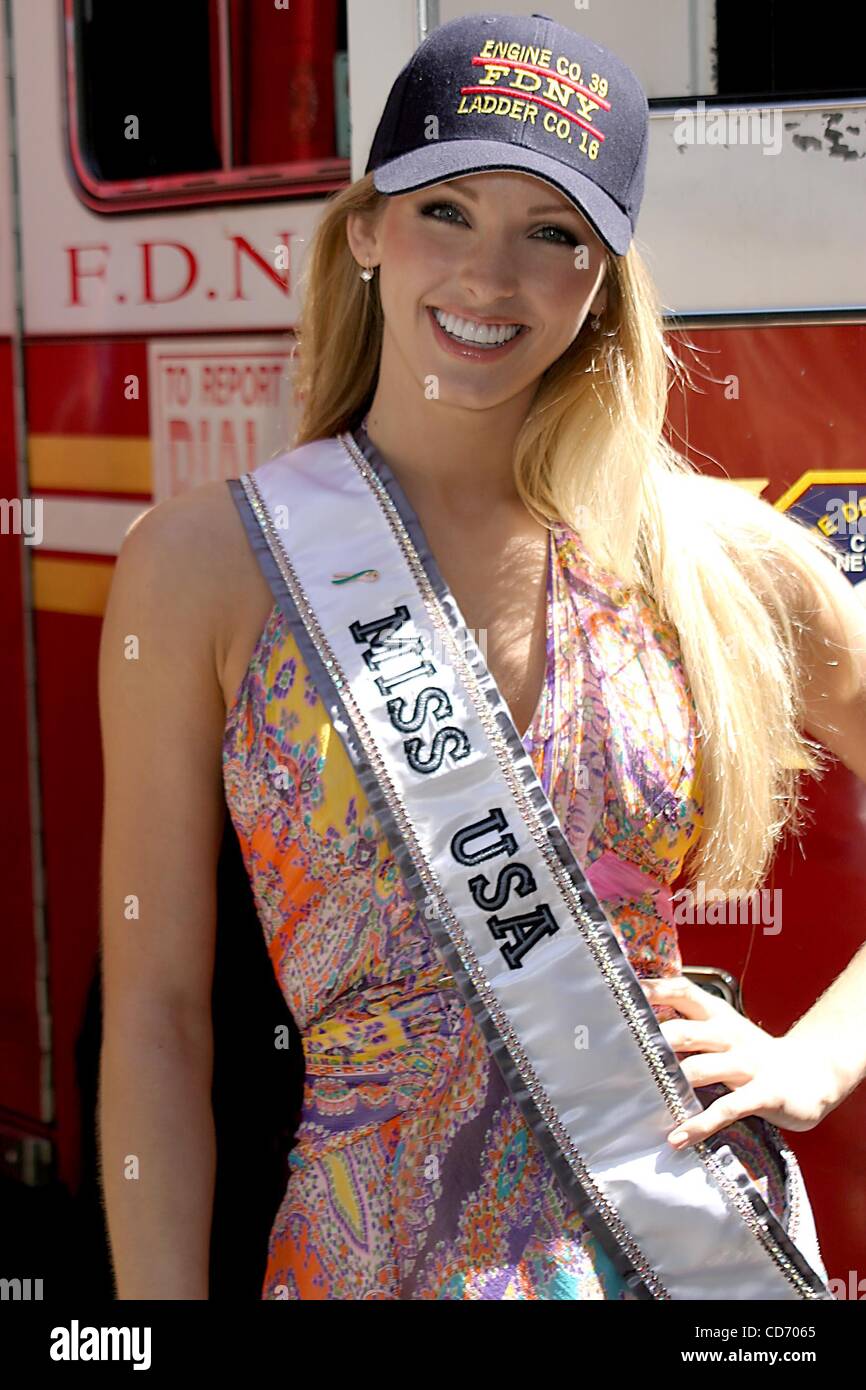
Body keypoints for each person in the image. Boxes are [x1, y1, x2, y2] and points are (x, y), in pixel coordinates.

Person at [98, 12, 866, 1300]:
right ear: (365, 232)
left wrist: (822, 1057)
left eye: (552, 234)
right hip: (370, 1261)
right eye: (445, 211)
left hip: (683, 1257)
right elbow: (158, 1021)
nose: (489, 276)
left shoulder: (718, 562)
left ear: (604, 279)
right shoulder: (200, 564)